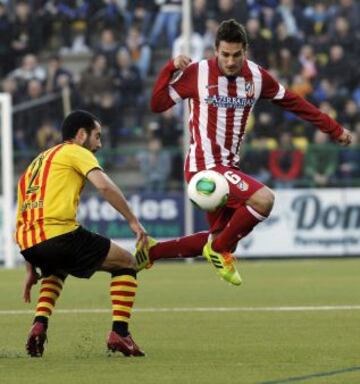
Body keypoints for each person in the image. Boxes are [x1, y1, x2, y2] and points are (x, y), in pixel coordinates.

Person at [135, 19, 352, 286]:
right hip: (204, 167)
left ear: (245, 51)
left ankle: (151, 252)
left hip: (229, 168)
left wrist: (333, 129)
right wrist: (169, 68)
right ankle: (217, 251)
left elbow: (295, 103)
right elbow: (157, 104)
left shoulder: (257, 77)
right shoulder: (197, 73)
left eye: (236, 55)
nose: (230, 61)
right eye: (225, 55)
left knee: (220, 238)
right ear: (215, 50)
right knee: (263, 201)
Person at [15, 110, 148, 357]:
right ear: (81, 134)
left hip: (30, 243)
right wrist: (132, 221)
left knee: (57, 267)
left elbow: (23, 215)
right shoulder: (75, 151)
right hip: (59, 234)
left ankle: (39, 324)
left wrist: (30, 267)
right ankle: (120, 333)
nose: (99, 143)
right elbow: (104, 186)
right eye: (97, 136)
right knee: (127, 263)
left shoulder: (35, 163)